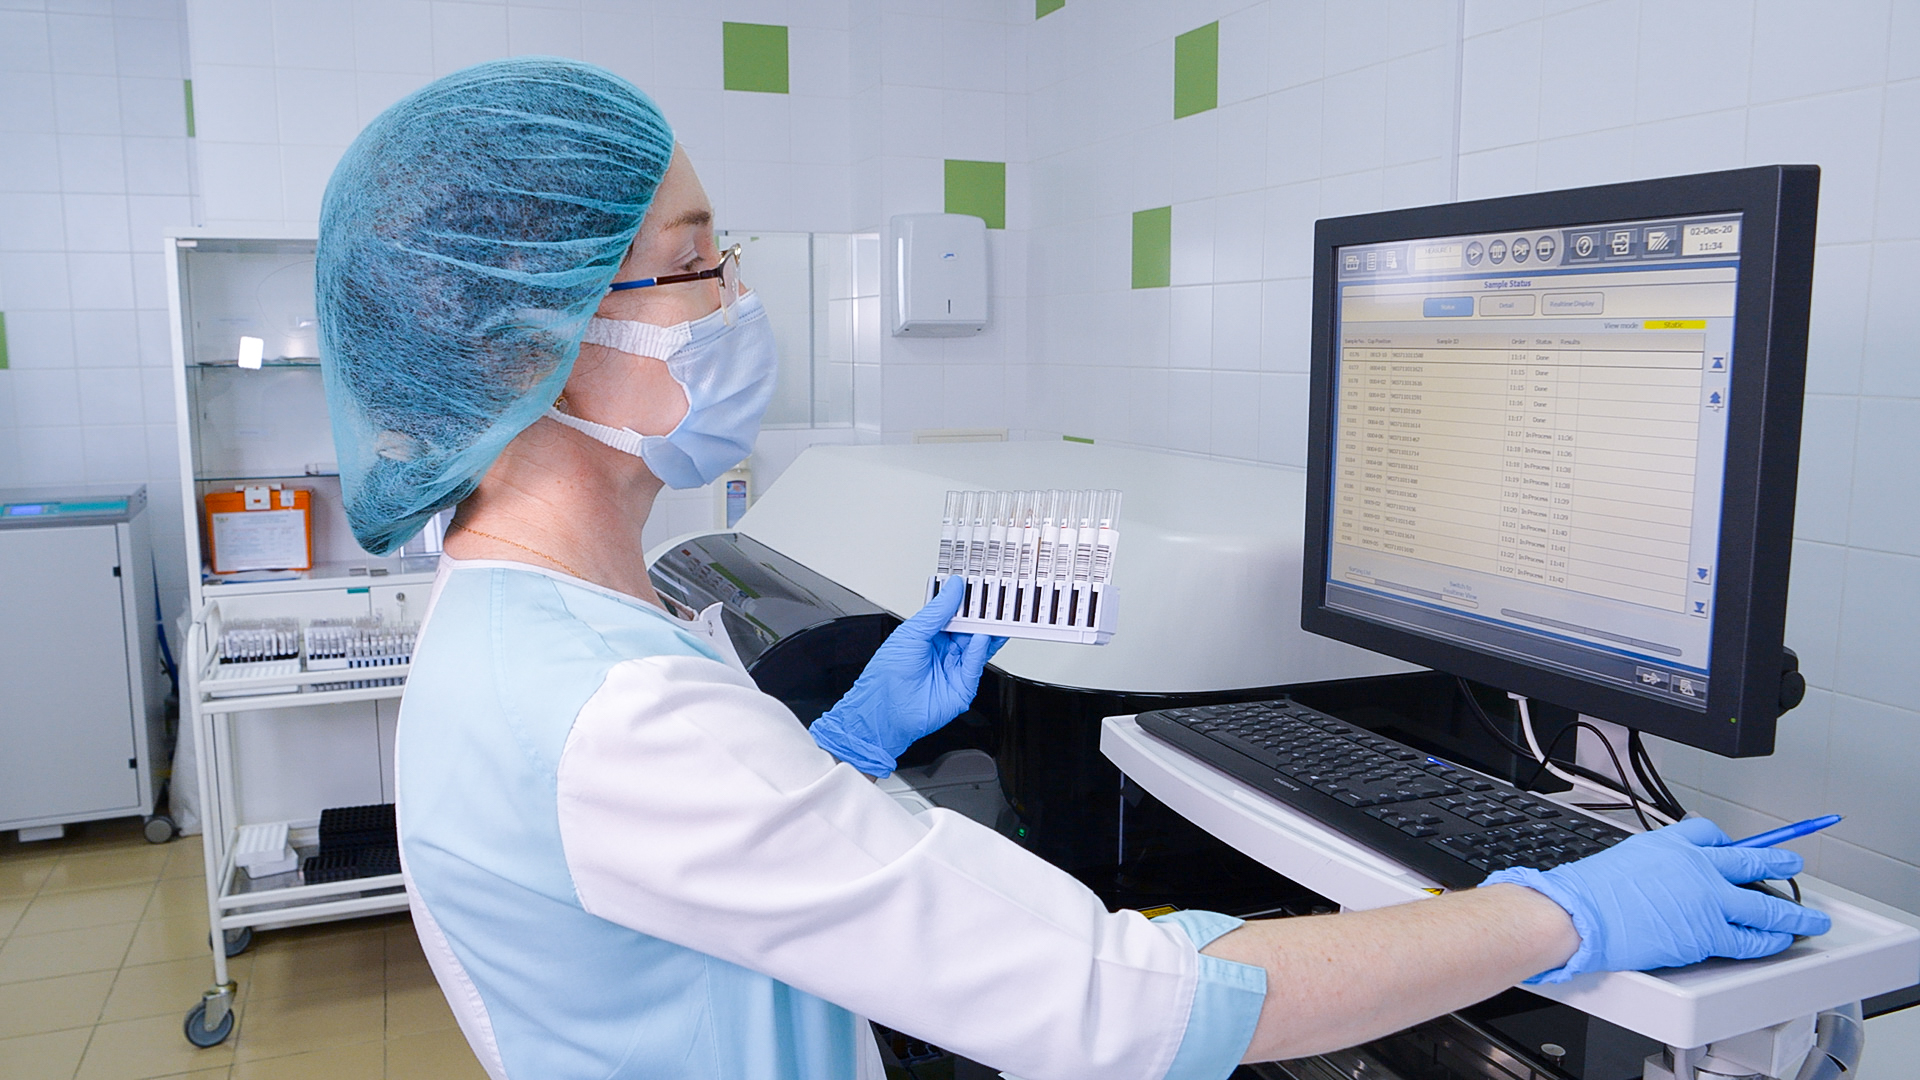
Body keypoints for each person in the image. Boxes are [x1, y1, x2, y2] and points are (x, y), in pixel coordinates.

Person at [316, 57, 1831, 1080]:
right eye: (701, 259)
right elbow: (1114, 1003)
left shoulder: (519, 626)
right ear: (532, 343)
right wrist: (1564, 914)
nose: (736, 299)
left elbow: (682, 875)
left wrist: (839, 751)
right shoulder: (617, 718)